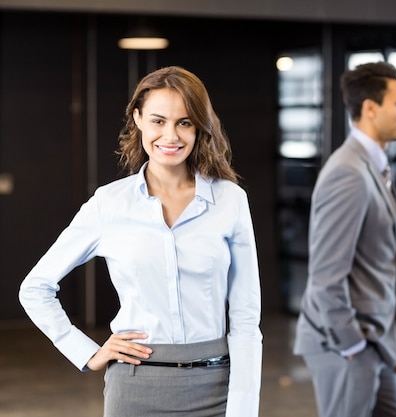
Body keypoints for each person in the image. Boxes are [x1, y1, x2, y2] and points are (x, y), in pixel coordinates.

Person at [19, 66, 262, 417]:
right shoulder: (109, 203)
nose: (171, 135)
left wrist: (243, 408)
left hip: (218, 387)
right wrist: (86, 352)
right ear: (138, 119)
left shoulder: (230, 200)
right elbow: (35, 288)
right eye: (158, 121)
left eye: (184, 122)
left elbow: (245, 318)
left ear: (199, 127)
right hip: (135, 388)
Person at [293, 61, 396, 417]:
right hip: (346, 344)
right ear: (370, 108)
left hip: (375, 340)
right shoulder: (348, 173)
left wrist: (394, 336)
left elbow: (378, 267)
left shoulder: (372, 166)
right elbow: (326, 276)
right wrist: (353, 346)